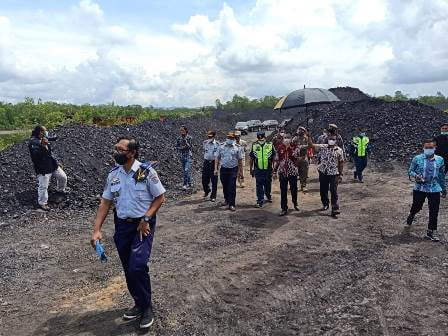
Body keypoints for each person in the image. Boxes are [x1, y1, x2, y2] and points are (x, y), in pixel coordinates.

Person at [90, 136, 166, 330]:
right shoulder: (113, 175)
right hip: (122, 226)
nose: (116, 152)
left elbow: (160, 197)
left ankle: (147, 306)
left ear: (132, 153)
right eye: (115, 148)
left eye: (120, 149)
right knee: (127, 267)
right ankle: (139, 303)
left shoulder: (145, 172)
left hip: (142, 224)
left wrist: (147, 218)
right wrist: (97, 230)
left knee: (137, 266)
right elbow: (106, 202)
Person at [407, 139, 446, 242]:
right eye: (426, 148)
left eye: (431, 148)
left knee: (434, 210)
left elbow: (441, 175)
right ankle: (412, 214)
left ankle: (431, 231)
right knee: (417, 206)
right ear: (423, 148)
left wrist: (444, 188)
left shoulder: (440, 160)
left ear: (435, 148)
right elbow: (410, 170)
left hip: (434, 188)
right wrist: (416, 176)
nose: (429, 149)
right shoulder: (417, 159)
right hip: (420, 188)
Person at [28, 125, 67, 211]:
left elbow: (50, 152)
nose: (45, 133)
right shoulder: (33, 142)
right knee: (43, 186)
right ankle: (42, 203)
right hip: (43, 168)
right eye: (43, 131)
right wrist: (42, 146)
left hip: (52, 165)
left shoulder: (44, 139)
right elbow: (35, 157)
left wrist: (56, 162)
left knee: (63, 177)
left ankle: (60, 190)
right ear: (39, 132)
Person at [310, 130, 344, 217]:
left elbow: (341, 162)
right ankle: (325, 204)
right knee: (323, 189)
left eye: (333, 139)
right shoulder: (323, 147)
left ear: (336, 140)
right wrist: (308, 136)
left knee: (333, 190)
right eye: (330, 139)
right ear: (327, 139)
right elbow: (311, 146)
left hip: (334, 173)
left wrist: (340, 174)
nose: (331, 140)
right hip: (323, 172)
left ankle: (334, 208)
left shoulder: (339, 150)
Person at [273, 133, 302, 216]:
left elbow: (295, 157)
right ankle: (284, 208)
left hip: (292, 172)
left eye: (288, 138)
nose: (286, 139)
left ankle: (295, 202)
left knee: (294, 189)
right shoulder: (280, 147)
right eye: (285, 138)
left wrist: (290, 148)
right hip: (282, 172)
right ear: (283, 139)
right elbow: (278, 160)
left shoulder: (295, 147)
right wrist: (274, 171)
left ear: (291, 139)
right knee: (283, 191)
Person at [215, 132, 244, 211]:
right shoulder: (221, 146)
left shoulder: (238, 147)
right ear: (226, 138)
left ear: (234, 139)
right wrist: (215, 169)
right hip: (223, 169)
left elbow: (240, 160)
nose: (229, 139)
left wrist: (241, 172)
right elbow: (217, 158)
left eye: (231, 138)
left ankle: (232, 204)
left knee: (232, 186)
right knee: (225, 186)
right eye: (228, 138)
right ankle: (227, 200)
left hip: (233, 169)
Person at [249, 131, 274, 208]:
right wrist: (251, 169)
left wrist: (274, 169)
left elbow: (273, 157)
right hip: (258, 169)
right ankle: (260, 200)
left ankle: (268, 196)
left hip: (268, 168)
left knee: (267, 184)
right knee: (259, 184)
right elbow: (252, 158)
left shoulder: (270, 144)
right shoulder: (254, 145)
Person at [202, 131, 219, 202]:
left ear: (214, 137)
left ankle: (213, 196)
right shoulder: (205, 142)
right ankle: (207, 190)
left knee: (214, 180)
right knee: (204, 179)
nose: (209, 138)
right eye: (208, 136)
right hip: (206, 162)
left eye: (210, 137)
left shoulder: (217, 144)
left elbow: (217, 156)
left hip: (213, 163)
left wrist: (216, 168)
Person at [292, 126, 310, 192]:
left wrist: (302, 147)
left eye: (302, 130)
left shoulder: (306, 138)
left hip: (303, 157)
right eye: (299, 130)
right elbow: (292, 147)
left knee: (304, 172)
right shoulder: (295, 138)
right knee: (294, 172)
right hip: (296, 158)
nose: (300, 132)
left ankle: (303, 185)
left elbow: (309, 146)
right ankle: (294, 186)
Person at [175, 125, 193, 190]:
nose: (181, 131)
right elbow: (176, 147)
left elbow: (190, 147)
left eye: (182, 130)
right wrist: (181, 148)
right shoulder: (179, 138)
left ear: (186, 130)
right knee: (185, 171)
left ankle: (185, 184)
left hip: (188, 156)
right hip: (182, 157)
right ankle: (190, 182)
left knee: (186, 170)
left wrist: (186, 142)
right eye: (180, 130)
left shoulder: (189, 138)